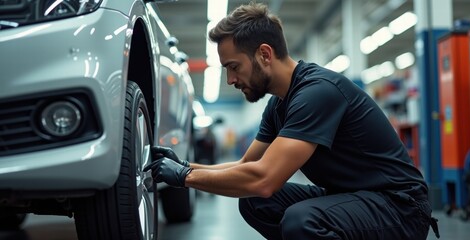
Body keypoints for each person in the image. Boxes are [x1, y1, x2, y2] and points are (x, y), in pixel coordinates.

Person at [144, 2, 440, 239]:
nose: (231, 79)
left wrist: (184, 178)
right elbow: (247, 166)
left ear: (264, 54)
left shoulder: (317, 92)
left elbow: (264, 179)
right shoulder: (278, 104)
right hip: (353, 197)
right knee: (254, 201)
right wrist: (185, 166)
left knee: (302, 220)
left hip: (399, 208)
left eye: (234, 67)